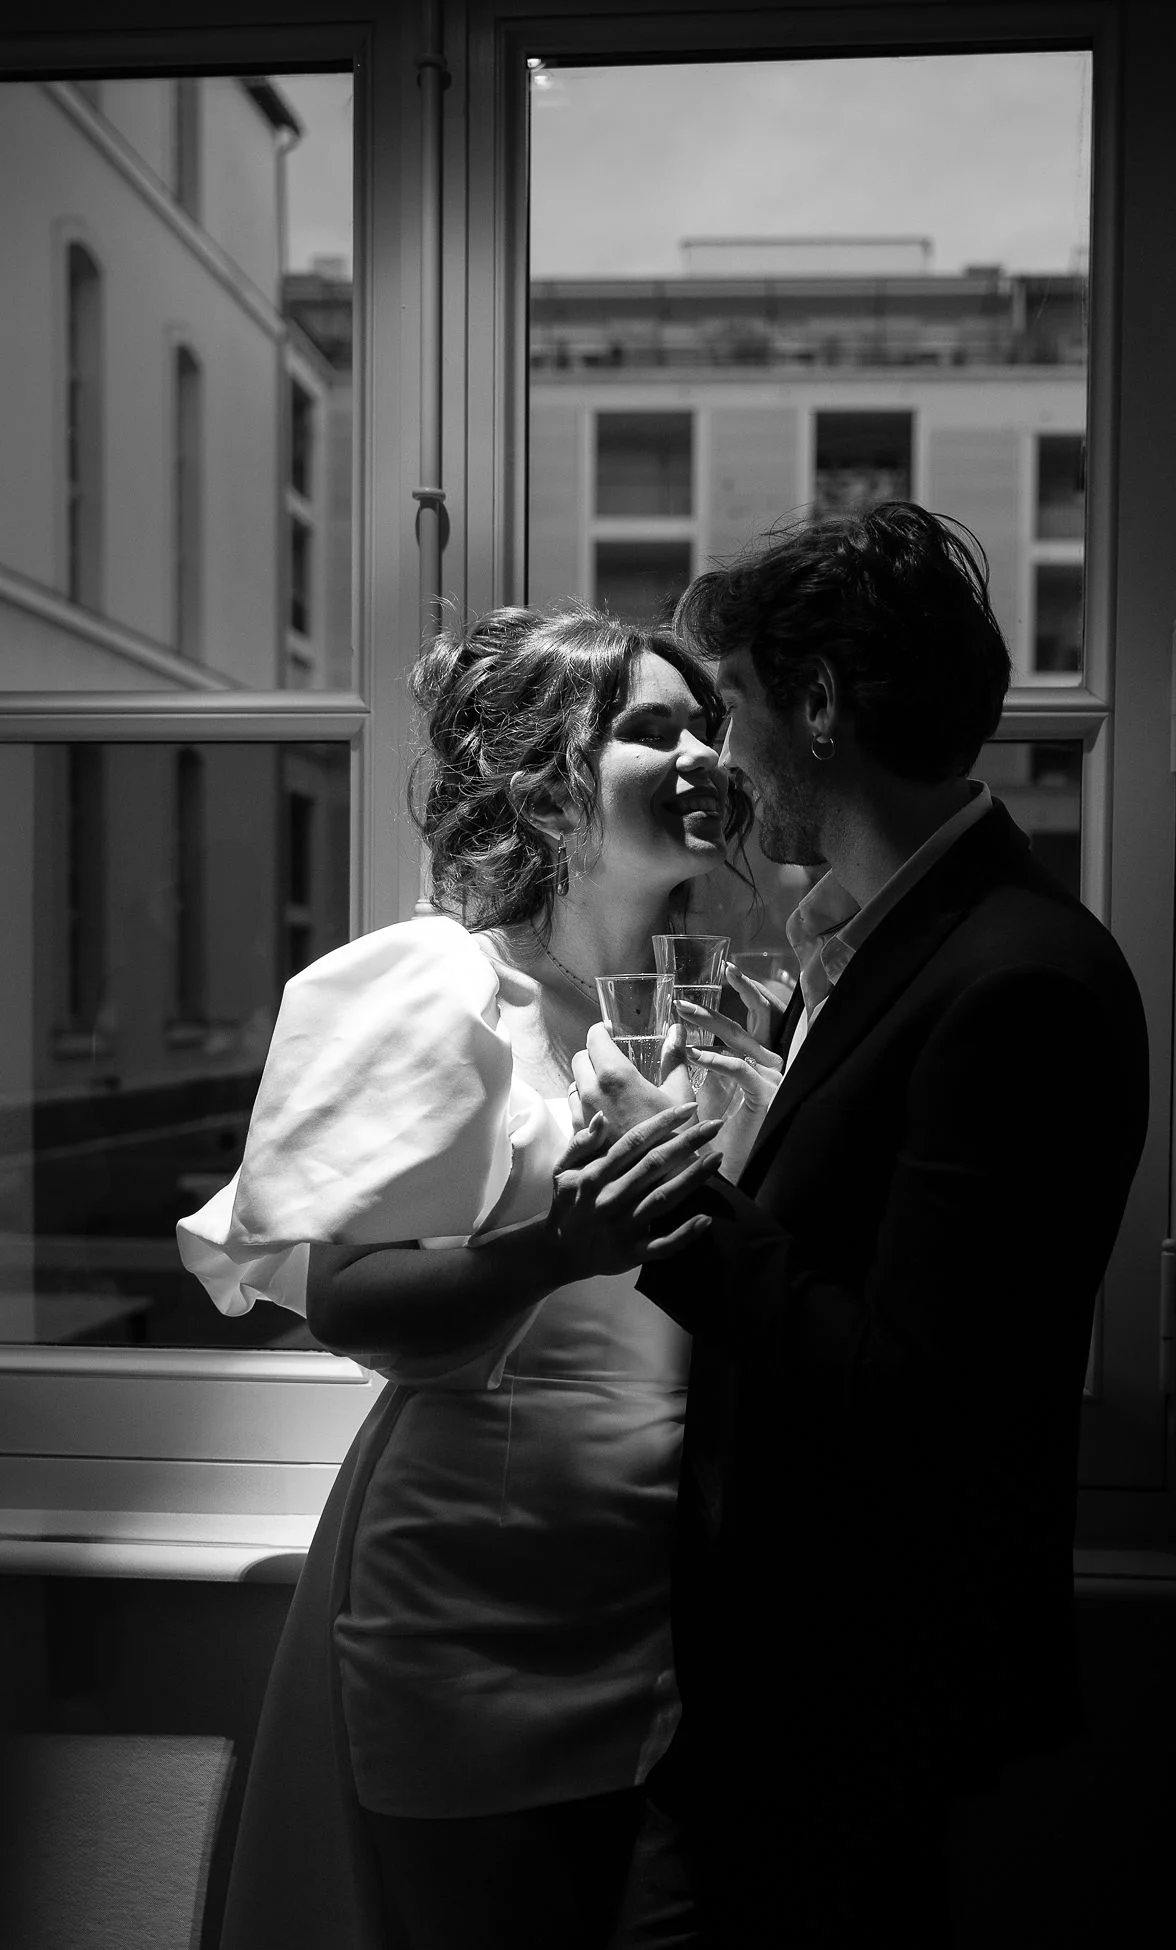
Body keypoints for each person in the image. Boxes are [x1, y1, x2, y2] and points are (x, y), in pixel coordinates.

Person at [547, 505, 1151, 1947]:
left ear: (819, 705)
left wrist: (669, 1184)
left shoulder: (1017, 983)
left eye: (733, 705)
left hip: (855, 1693)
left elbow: (910, 1396)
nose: (721, 757)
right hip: (787, 1681)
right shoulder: (872, 949)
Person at [176, 604, 759, 1950]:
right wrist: (558, 1250)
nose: (702, 758)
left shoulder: (702, 1011)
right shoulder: (443, 987)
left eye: (708, 729)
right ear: (550, 775)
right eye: (652, 729)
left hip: (675, 1603)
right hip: (481, 1606)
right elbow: (353, 1302)